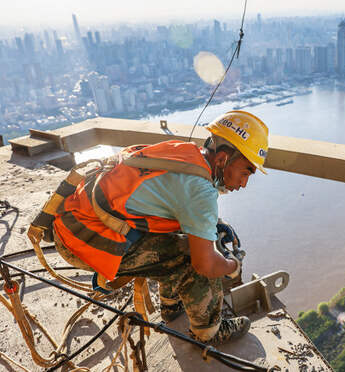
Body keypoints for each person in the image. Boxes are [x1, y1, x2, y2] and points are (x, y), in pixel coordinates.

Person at [51, 110, 269, 345]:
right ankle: (209, 330)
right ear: (223, 159)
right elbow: (204, 263)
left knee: (190, 239)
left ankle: (171, 305)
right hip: (85, 239)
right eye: (245, 172)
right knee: (192, 255)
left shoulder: (185, 153)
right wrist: (232, 266)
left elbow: (171, 198)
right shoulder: (200, 191)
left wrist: (213, 224)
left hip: (76, 221)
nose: (244, 183)